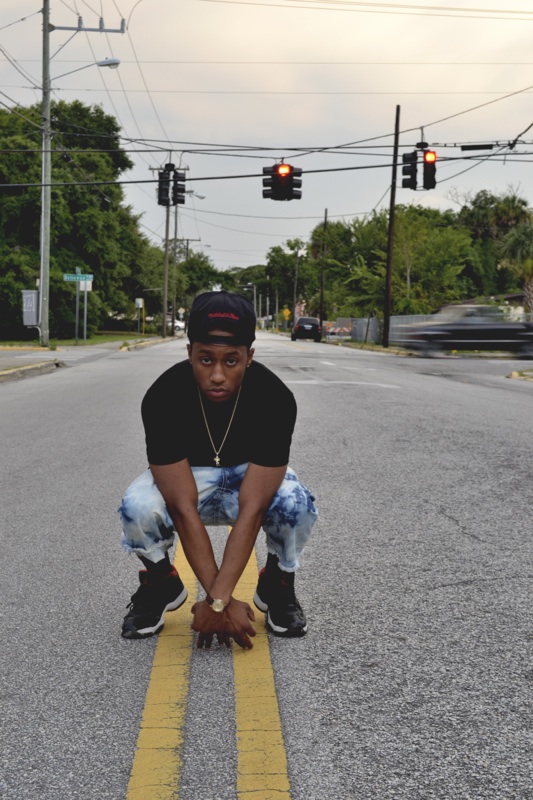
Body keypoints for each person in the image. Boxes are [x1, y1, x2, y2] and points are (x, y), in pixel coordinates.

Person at [118, 290, 317, 649]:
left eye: (232, 361)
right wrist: (218, 602)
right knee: (137, 506)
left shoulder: (275, 398)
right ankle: (161, 582)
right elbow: (181, 506)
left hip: (248, 477)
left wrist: (218, 601)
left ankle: (277, 583)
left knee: (295, 503)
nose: (217, 375)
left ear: (249, 357)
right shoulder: (163, 396)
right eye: (206, 359)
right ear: (189, 352)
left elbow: (254, 507)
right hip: (189, 477)